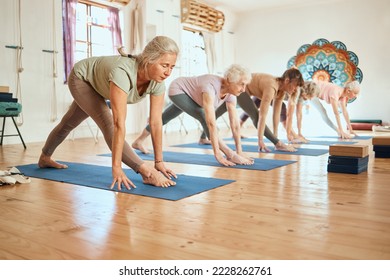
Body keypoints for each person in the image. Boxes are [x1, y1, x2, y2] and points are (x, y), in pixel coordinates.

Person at [38, 36, 179, 190]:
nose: (168, 72)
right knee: (109, 124)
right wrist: (116, 168)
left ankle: (44, 158)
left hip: (100, 85)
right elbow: (118, 125)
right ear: (149, 59)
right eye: (164, 65)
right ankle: (146, 172)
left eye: (172, 67)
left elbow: (156, 122)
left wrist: (159, 162)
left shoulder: (157, 83)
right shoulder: (123, 72)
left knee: (68, 123)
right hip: (82, 79)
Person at [132, 64, 254, 166]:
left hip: (191, 95)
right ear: (229, 80)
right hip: (179, 90)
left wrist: (240, 151)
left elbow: (235, 124)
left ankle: (138, 141)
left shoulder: (231, 93)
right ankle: (229, 153)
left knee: (164, 118)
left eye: (245, 85)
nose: (244, 89)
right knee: (203, 116)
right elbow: (210, 122)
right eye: (241, 84)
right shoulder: (210, 86)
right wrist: (222, 154)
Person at [200, 68, 304, 152]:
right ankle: (277, 143)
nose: (295, 90)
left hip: (247, 91)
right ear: (287, 81)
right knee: (256, 115)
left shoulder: (281, 92)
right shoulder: (271, 86)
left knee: (218, 112)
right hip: (241, 89)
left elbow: (276, 115)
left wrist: (276, 136)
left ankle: (203, 137)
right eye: (295, 86)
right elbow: (261, 116)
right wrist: (261, 141)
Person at [285, 80, 361, 141]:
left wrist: (351, 130)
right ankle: (338, 131)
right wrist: (341, 131)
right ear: (348, 91)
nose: (355, 96)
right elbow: (336, 113)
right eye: (355, 93)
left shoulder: (343, 96)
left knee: (322, 112)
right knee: (323, 112)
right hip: (312, 89)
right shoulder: (336, 92)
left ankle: (339, 131)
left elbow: (345, 112)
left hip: (314, 89)